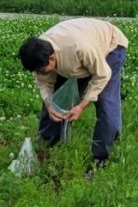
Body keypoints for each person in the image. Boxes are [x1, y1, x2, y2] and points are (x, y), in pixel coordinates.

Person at [18, 18, 128, 168]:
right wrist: (50, 105)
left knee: (105, 103)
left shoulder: (80, 48)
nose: (39, 74)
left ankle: (101, 159)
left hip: (110, 47)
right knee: (57, 101)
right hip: (75, 55)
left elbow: (102, 75)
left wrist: (81, 106)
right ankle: (47, 146)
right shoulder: (39, 51)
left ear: (51, 58)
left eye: (40, 70)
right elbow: (44, 82)